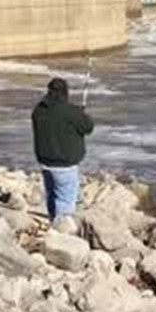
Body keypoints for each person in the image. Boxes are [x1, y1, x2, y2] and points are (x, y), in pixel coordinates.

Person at [31, 77, 94, 225]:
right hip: (65, 164)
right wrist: (81, 114)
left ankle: (53, 222)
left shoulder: (38, 110)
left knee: (52, 196)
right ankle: (61, 229)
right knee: (65, 201)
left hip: (45, 162)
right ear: (65, 93)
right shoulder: (70, 111)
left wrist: (78, 114)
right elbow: (88, 127)